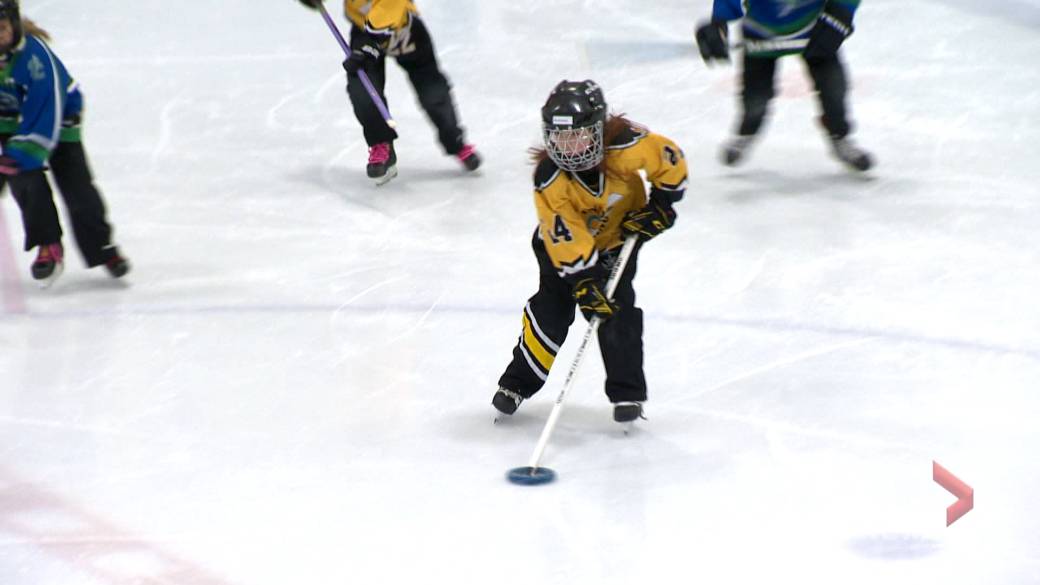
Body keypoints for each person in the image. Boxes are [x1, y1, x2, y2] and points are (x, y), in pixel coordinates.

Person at [492, 80, 687, 425]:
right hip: (559, 252)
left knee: (617, 313)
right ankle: (516, 384)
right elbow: (563, 232)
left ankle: (627, 395)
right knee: (552, 312)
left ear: (598, 129)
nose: (568, 147)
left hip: (617, 241)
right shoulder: (550, 177)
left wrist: (663, 204)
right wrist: (583, 280)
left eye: (577, 136)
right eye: (559, 137)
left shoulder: (627, 145)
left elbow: (669, 160)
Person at [0, 4, 129, 287]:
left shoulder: (34, 58)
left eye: (1, 28)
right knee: (27, 186)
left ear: (14, 25)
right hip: (11, 127)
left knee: (78, 189)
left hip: (58, 123)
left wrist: (20, 153)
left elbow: (46, 109)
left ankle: (101, 247)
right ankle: (48, 244)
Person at [297, 0, 480, 185]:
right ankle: (380, 142)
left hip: (403, 29)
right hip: (363, 28)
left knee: (433, 92)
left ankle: (455, 141)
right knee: (362, 89)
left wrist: (371, 43)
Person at [695, 0, 874, 171]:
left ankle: (840, 136)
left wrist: (840, 15)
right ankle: (747, 131)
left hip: (815, 30)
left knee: (833, 89)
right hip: (760, 31)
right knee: (755, 99)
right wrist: (719, 21)